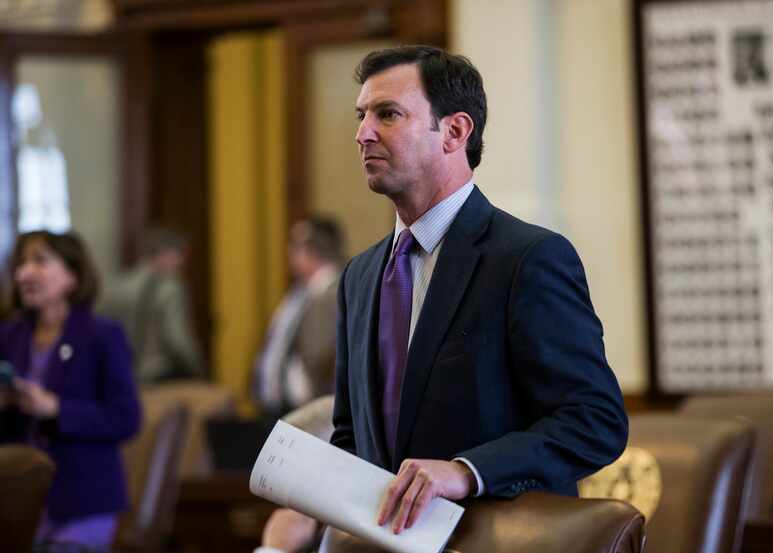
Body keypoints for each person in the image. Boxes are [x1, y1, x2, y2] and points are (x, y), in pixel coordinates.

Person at [258, 45, 628, 553]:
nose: (363, 133)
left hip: (501, 540)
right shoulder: (360, 276)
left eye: (387, 114)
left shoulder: (528, 257)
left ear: (455, 132)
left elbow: (596, 421)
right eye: (361, 115)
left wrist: (465, 472)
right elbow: (352, 436)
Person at [0, 230, 141, 550]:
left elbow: (126, 418)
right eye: (21, 262)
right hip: (14, 502)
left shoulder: (102, 335)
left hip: (83, 499)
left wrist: (55, 408)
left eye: (40, 260)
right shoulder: (9, 336)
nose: (25, 272)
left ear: (73, 276)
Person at [252, 216, 344, 418]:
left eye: (293, 244)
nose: (288, 252)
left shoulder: (335, 290)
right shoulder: (300, 293)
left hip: (311, 409)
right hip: (280, 407)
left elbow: (322, 356)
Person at [98, 226, 204, 383]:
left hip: (121, 376)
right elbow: (176, 339)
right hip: (159, 376)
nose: (182, 263)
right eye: (180, 255)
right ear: (166, 254)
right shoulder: (170, 288)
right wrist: (197, 368)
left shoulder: (116, 286)